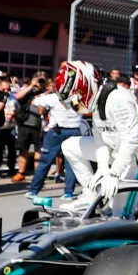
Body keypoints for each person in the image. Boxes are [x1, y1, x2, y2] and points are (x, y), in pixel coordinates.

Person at [58, 61, 138, 216]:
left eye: (74, 99)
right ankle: (90, 195)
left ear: (85, 85)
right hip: (115, 149)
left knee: (120, 214)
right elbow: (100, 139)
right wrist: (103, 168)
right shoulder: (99, 100)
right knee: (69, 145)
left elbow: (131, 140)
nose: (75, 104)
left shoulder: (119, 99)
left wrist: (114, 173)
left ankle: (129, 214)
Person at [27, 71, 83, 201]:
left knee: (45, 161)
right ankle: (69, 192)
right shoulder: (76, 97)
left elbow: (35, 102)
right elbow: (84, 111)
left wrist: (46, 93)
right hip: (74, 131)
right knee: (72, 162)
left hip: (57, 132)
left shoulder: (52, 97)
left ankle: (33, 190)